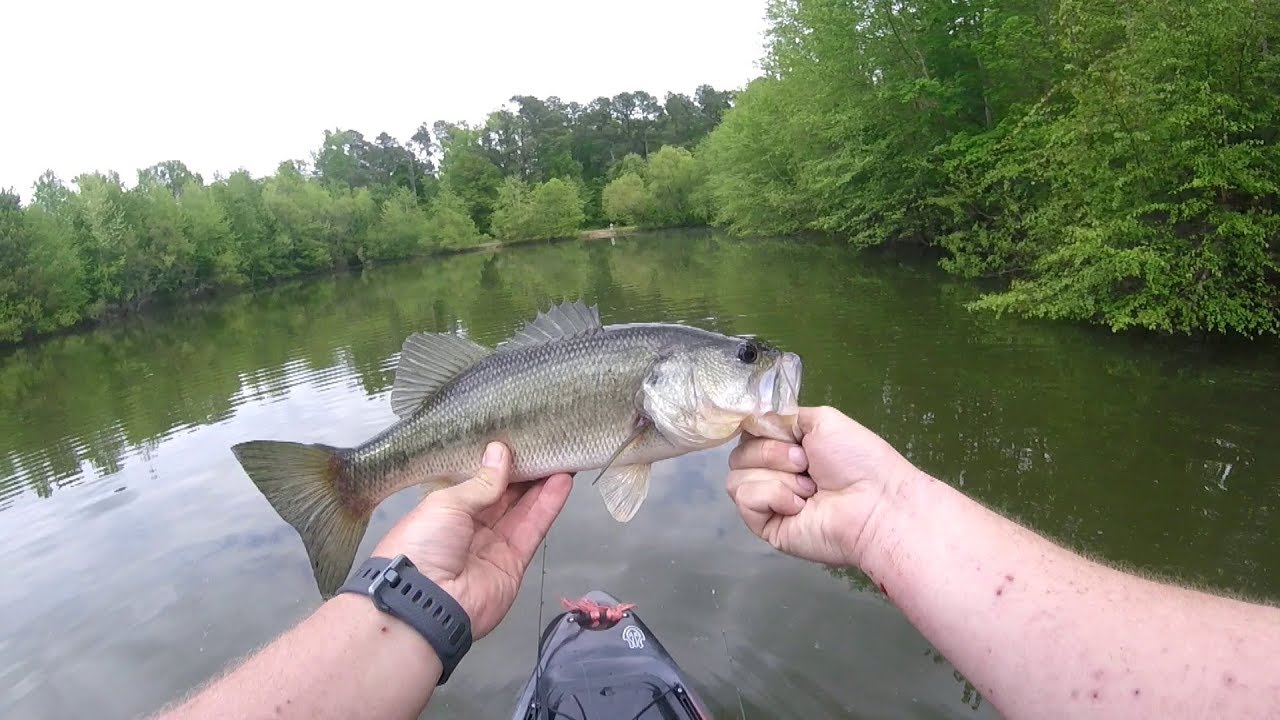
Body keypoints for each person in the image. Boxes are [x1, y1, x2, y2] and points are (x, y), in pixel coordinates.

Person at [156, 407, 1280, 720]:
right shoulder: (649, 404)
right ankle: (347, 478)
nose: (758, 375)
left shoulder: (662, 424)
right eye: (735, 366)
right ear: (669, 385)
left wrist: (395, 610)